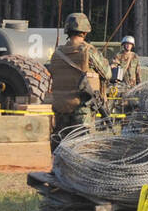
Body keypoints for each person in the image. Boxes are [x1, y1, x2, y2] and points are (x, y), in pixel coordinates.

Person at [48, 12, 112, 148]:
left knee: (60, 146)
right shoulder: (88, 51)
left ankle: (57, 169)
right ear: (85, 31)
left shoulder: (57, 53)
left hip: (60, 106)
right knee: (83, 148)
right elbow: (107, 74)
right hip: (81, 107)